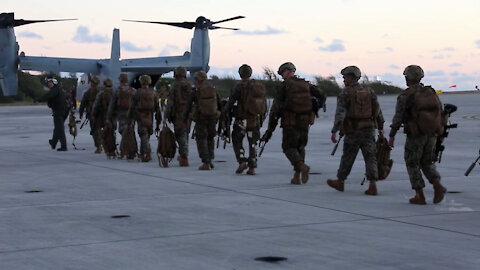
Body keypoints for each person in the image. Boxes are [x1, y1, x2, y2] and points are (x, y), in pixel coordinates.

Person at [388, 65, 447, 205]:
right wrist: (441, 132)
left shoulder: (405, 96)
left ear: (408, 78)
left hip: (416, 135)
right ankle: (437, 185)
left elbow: (398, 117)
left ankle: (420, 195)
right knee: (427, 161)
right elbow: (441, 112)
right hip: (432, 133)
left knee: (412, 162)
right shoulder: (431, 92)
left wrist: (392, 135)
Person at [261, 62, 326, 184]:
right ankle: (296, 176)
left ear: (286, 71)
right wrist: (314, 109)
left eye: (282, 73)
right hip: (305, 121)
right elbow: (322, 96)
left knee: (288, 147)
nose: (282, 76)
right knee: (300, 147)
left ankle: (301, 166)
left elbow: (275, 109)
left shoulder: (285, 86)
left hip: (290, 121)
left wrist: (270, 130)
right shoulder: (306, 84)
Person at [326, 66, 384, 195]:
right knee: (370, 157)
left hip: (353, 130)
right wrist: (380, 127)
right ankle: (372, 185)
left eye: (345, 77)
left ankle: (340, 181)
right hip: (369, 128)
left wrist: (335, 130)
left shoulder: (345, 93)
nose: (344, 79)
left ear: (351, 77)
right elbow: (378, 111)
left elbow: (340, 113)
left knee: (348, 157)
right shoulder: (370, 91)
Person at [224, 64, 267, 175]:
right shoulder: (258, 87)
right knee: (253, 142)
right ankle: (252, 167)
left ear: (240, 74)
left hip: (241, 119)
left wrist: (224, 113)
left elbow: (231, 102)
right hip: (254, 119)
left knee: (237, 140)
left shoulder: (239, 87)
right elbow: (264, 105)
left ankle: (242, 160)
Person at [183, 71, 221, 170]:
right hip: (212, 117)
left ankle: (205, 162)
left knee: (201, 139)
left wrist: (185, 118)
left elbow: (188, 106)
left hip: (201, 118)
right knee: (210, 138)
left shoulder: (196, 91)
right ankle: (211, 160)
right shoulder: (212, 89)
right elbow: (219, 103)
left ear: (197, 80)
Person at [128, 75, 161, 162]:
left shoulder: (137, 93)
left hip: (140, 116)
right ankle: (147, 151)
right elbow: (157, 107)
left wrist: (130, 118)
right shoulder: (153, 93)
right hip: (150, 116)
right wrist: (159, 120)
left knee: (143, 134)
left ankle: (145, 153)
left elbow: (132, 106)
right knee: (147, 134)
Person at [164, 67, 192, 166]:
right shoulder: (189, 85)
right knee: (185, 134)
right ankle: (183, 155)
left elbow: (170, 102)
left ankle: (184, 157)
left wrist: (165, 116)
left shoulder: (174, 86)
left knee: (180, 135)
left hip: (178, 114)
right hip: (188, 114)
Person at [107, 73, 136, 158]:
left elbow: (112, 104)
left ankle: (124, 150)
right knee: (130, 131)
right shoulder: (133, 90)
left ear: (120, 80)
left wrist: (109, 116)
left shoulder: (118, 91)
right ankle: (132, 150)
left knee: (123, 132)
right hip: (131, 114)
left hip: (121, 114)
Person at [38, 77, 68, 151]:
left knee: (60, 129)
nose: (49, 84)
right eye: (48, 83)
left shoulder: (55, 90)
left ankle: (64, 146)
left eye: (50, 82)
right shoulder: (57, 89)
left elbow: (49, 96)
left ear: (54, 83)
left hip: (59, 111)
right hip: (62, 111)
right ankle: (53, 142)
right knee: (58, 128)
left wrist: (40, 99)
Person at [92, 78, 116, 157]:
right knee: (112, 132)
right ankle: (113, 149)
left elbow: (96, 105)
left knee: (103, 132)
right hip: (113, 115)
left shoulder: (101, 93)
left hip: (103, 115)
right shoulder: (114, 92)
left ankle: (105, 148)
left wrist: (94, 114)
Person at [79, 75, 102, 153]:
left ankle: (99, 146)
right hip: (100, 114)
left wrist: (81, 113)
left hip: (94, 114)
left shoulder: (89, 92)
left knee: (95, 130)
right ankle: (102, 145)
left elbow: (83, 104)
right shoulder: (101, 91)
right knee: (98, 130)